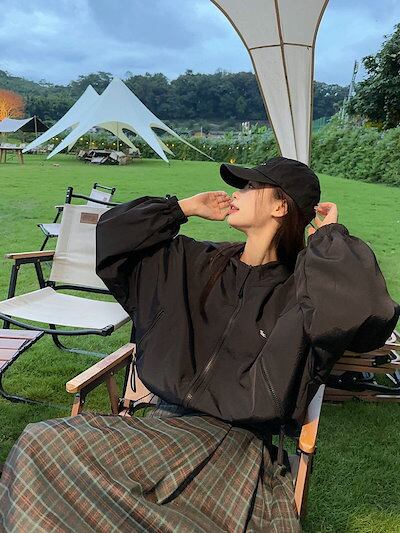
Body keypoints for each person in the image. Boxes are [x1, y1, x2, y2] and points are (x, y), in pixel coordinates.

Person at [0, 157, 398, 532]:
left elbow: (368, 316)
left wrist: (329, 239)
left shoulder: (302, 291)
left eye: (251, 186)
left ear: (281, 207)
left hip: (237, 448)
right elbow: (112, 235)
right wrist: (181, 208)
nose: (238, 192)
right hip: (161, 428)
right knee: (40, 445)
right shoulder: (197, 262)